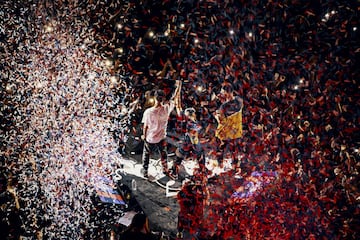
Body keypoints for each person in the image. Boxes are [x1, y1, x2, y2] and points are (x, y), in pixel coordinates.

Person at [141, 81, 181, 179]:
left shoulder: (148, 112)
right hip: (161, 137)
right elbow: (174, 99)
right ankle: (165, 169)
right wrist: (178, 87)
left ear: (154, 98)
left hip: (150, 138)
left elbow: (145, 127)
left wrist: (144, 136)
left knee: (146, 153)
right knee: (163, 153)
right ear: (163, 98)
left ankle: (145, 170)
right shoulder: (167, 108)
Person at [214, 83, 244, 170]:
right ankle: (236, 167)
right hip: (237, 130)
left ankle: (220, 163)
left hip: (226, 132)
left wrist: (216, 116)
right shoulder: (239, 100)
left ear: (226, 93)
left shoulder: (223, 107)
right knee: (235, 149)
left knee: (221, 147)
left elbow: (221, 121)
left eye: (223, 92)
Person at [171, 107, 206, 179]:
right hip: (190, 142)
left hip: (186, 142)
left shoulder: (187, 121)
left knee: (180, 157)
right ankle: (202, 171)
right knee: (200, 155)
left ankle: (174, 171)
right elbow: (194, 135)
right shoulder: (191, 123)